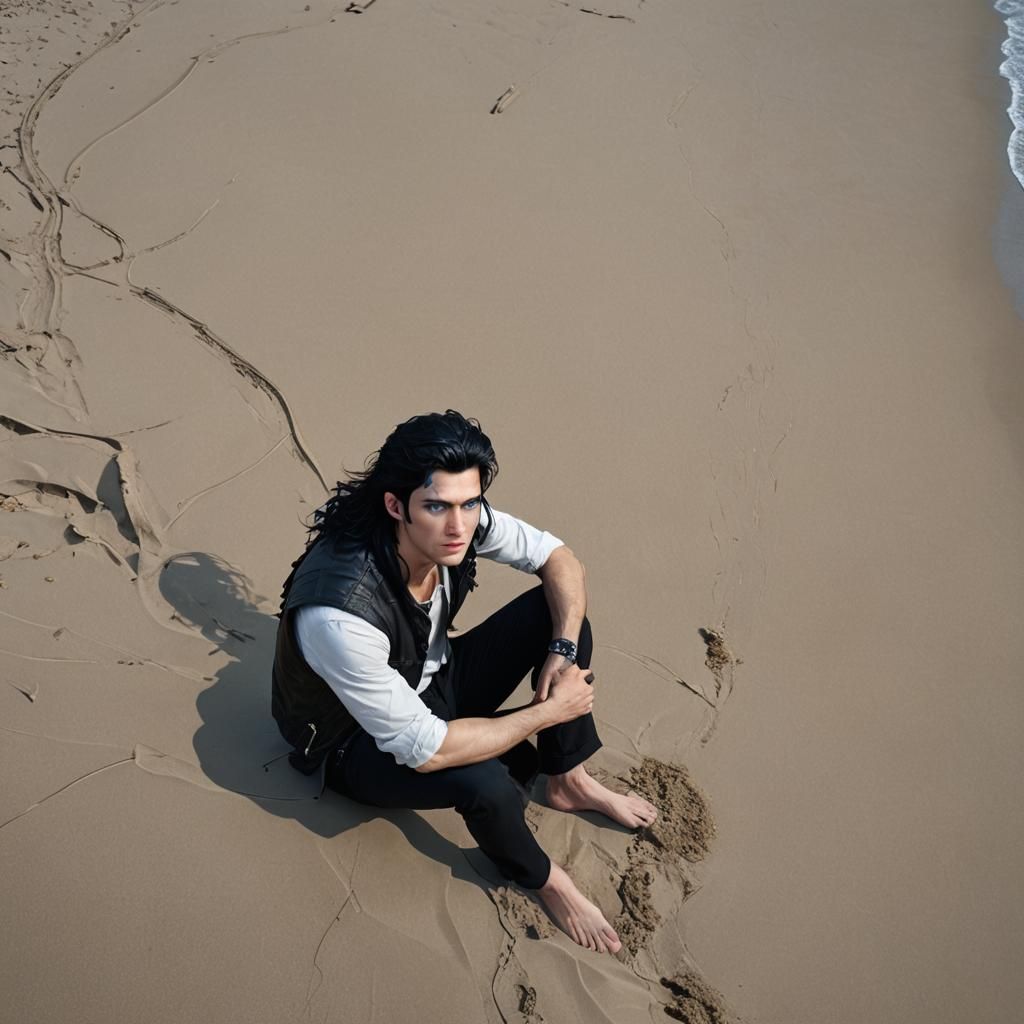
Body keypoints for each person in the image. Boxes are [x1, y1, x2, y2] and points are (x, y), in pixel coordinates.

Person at [271, 410, 657, 953]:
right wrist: (550, 711)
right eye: (436, 507)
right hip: (352, 744)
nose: (458, 526)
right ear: (395, 505)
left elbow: (560, 559)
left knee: (561, 618)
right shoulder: (342, 618)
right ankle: (547, 880)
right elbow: (424, 751)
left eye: (469, 503)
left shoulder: (460, 524)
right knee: (486, 783)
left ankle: (568, 779)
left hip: (431, 677)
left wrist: (563, 649)